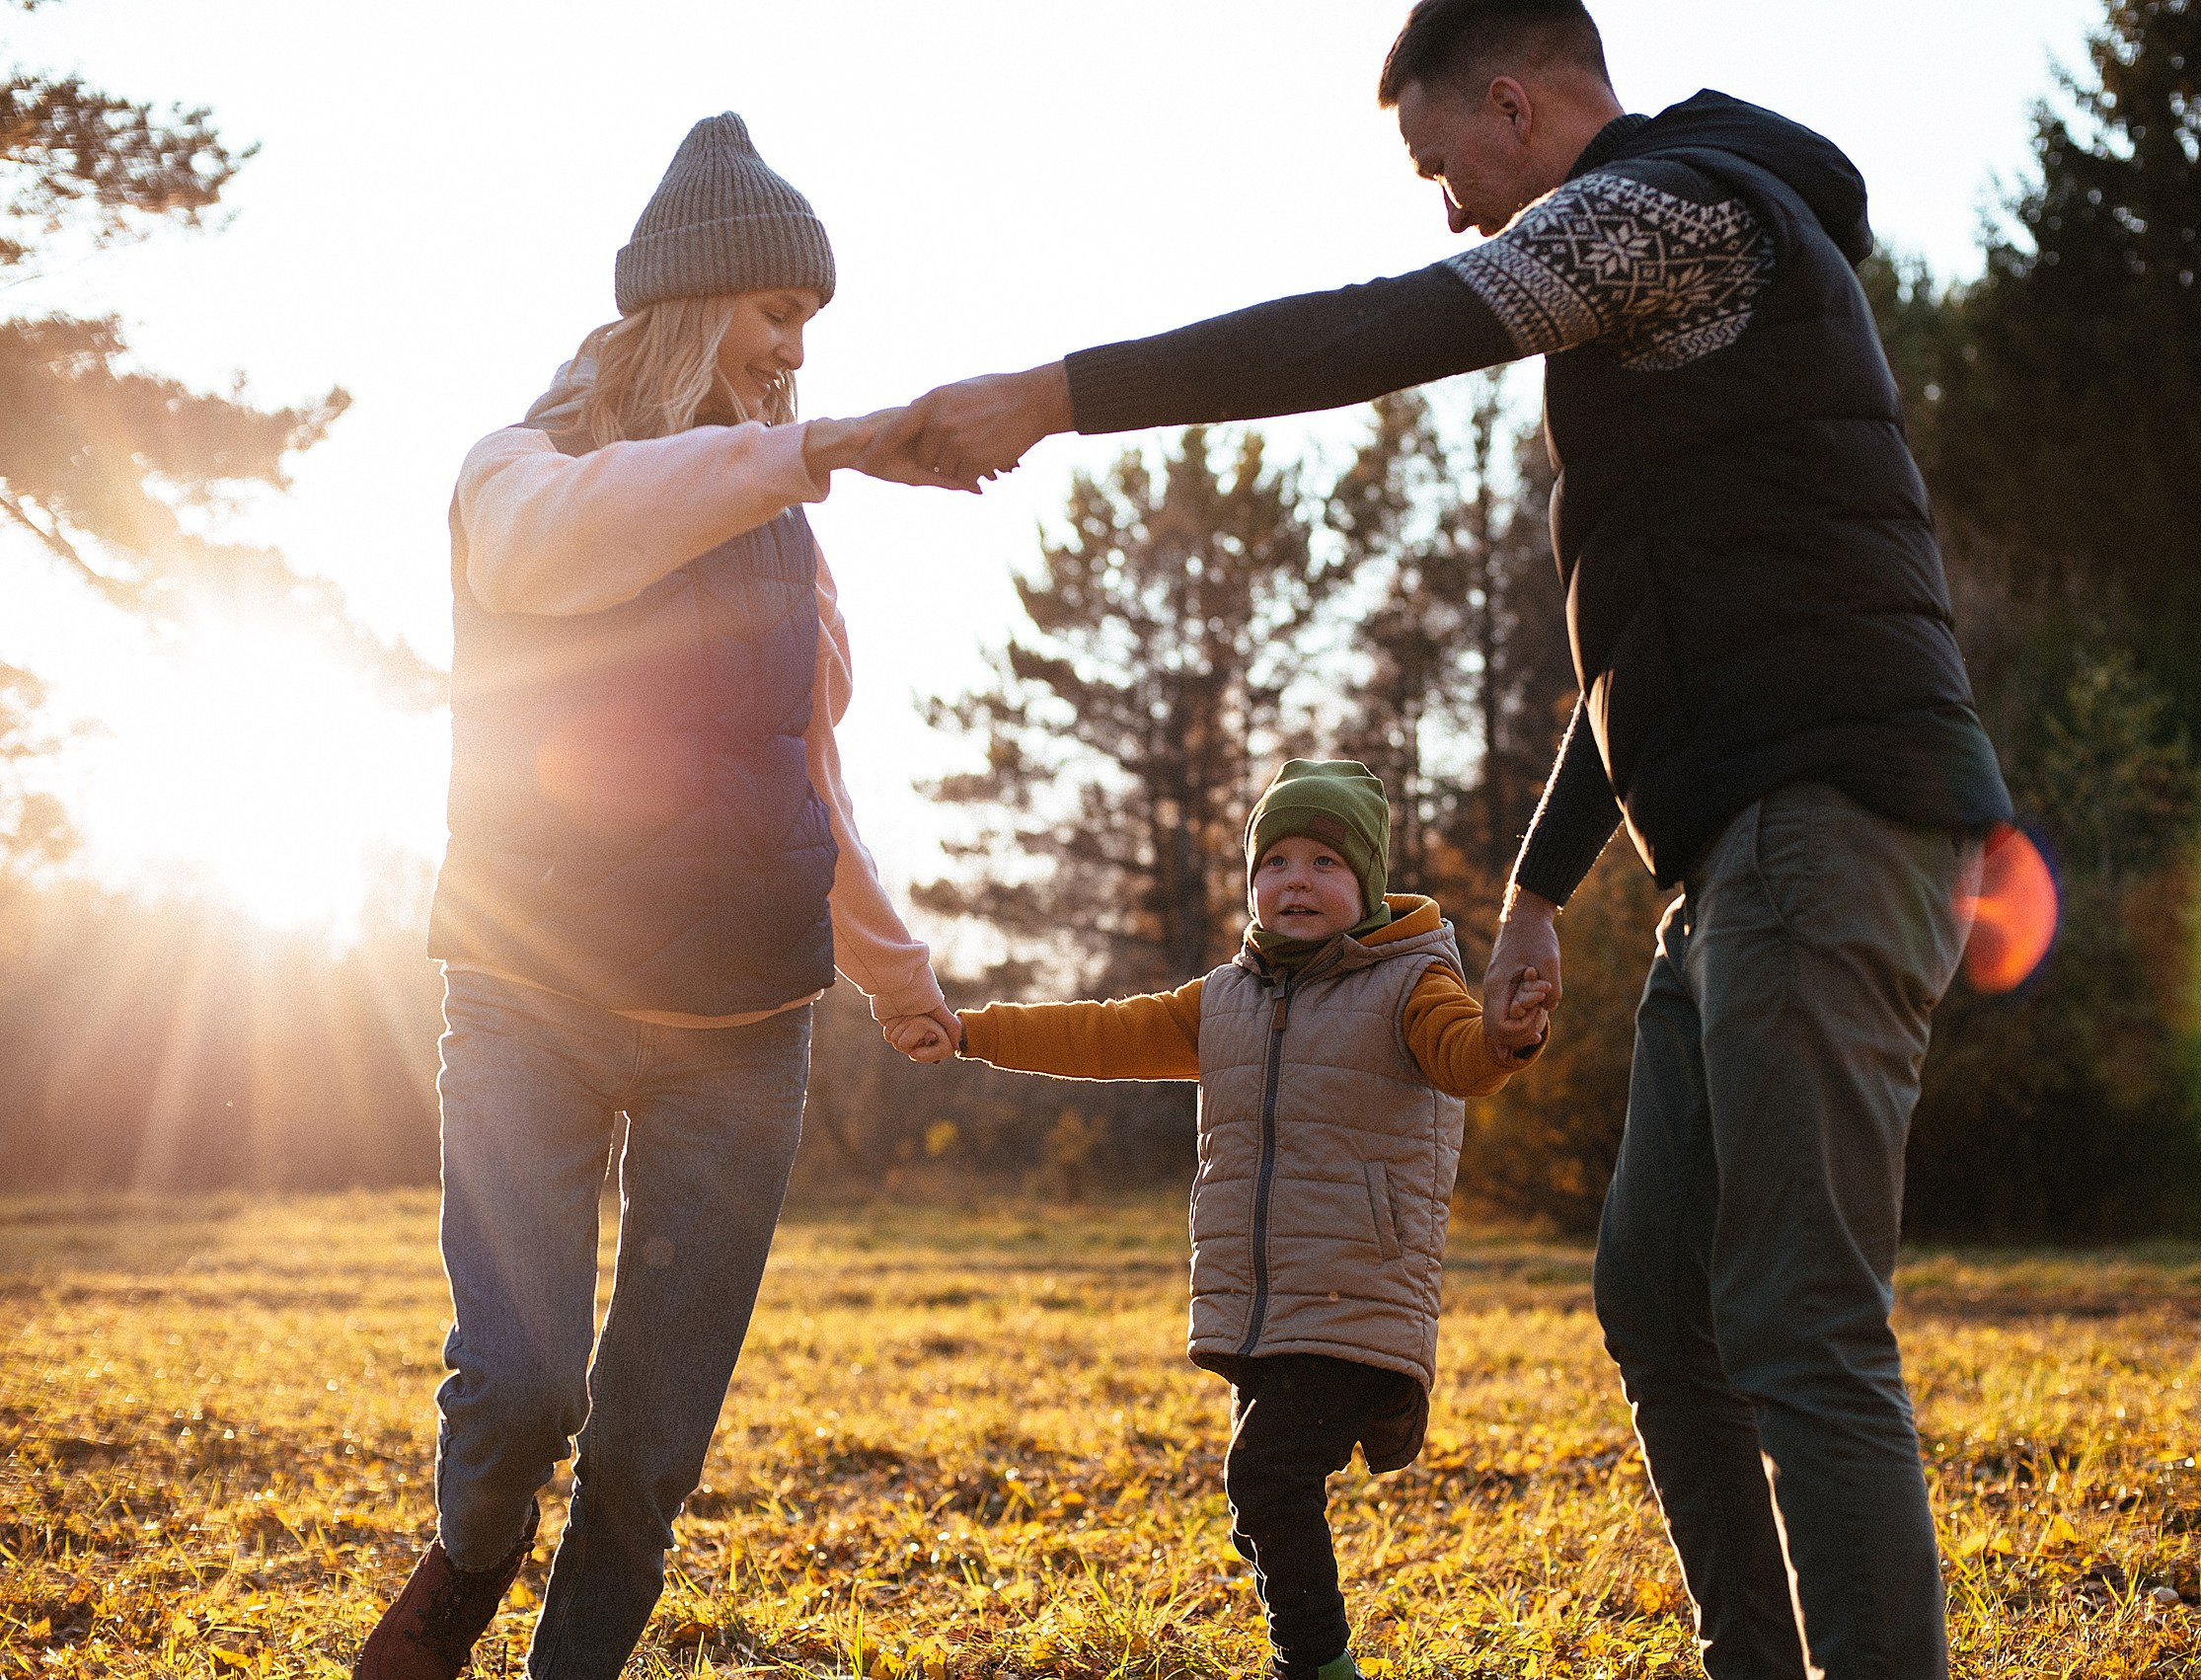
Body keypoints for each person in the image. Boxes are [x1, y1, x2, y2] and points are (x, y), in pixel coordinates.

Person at [860, 4, 2014, 1676]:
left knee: (1796, 1315)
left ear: (1512, 100)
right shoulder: (1683, 297)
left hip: (1826, 830)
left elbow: (1373, 334)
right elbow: (1657, 645)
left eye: (1439, 163)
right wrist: (1542, 883)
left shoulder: (1664, 212)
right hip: (1741, 849)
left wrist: (1050, 394)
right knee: (1655, 1296)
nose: (1451, 207)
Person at [358, 114, 954, 1680]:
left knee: (650, 1444)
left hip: (742, 1033)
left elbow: (808, 776)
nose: (793, 353)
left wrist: (891, 971)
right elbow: (580, 544)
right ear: (693, 305)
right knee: (524, 1384)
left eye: (810, 329)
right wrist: (812, 449)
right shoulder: (518, 476)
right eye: (777, 312)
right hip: (529, 996)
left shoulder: (788, 532)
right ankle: (472, 1556)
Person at [889, 760, 1550, 1680]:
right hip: (1259, 1306)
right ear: (1251, 883)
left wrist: (1506, 1033)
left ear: (1366, 883)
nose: (1297, 879)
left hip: (1354, 1289)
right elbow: (1101, 1034)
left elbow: (1465, 1057)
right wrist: (971, 1031)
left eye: (1325, 861)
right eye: (1275, 860)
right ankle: (1377, 1434)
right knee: (1260, 1501)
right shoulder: (1224, 999)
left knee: (1265, 1478)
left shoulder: (1410, 983)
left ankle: (1316, 1661)